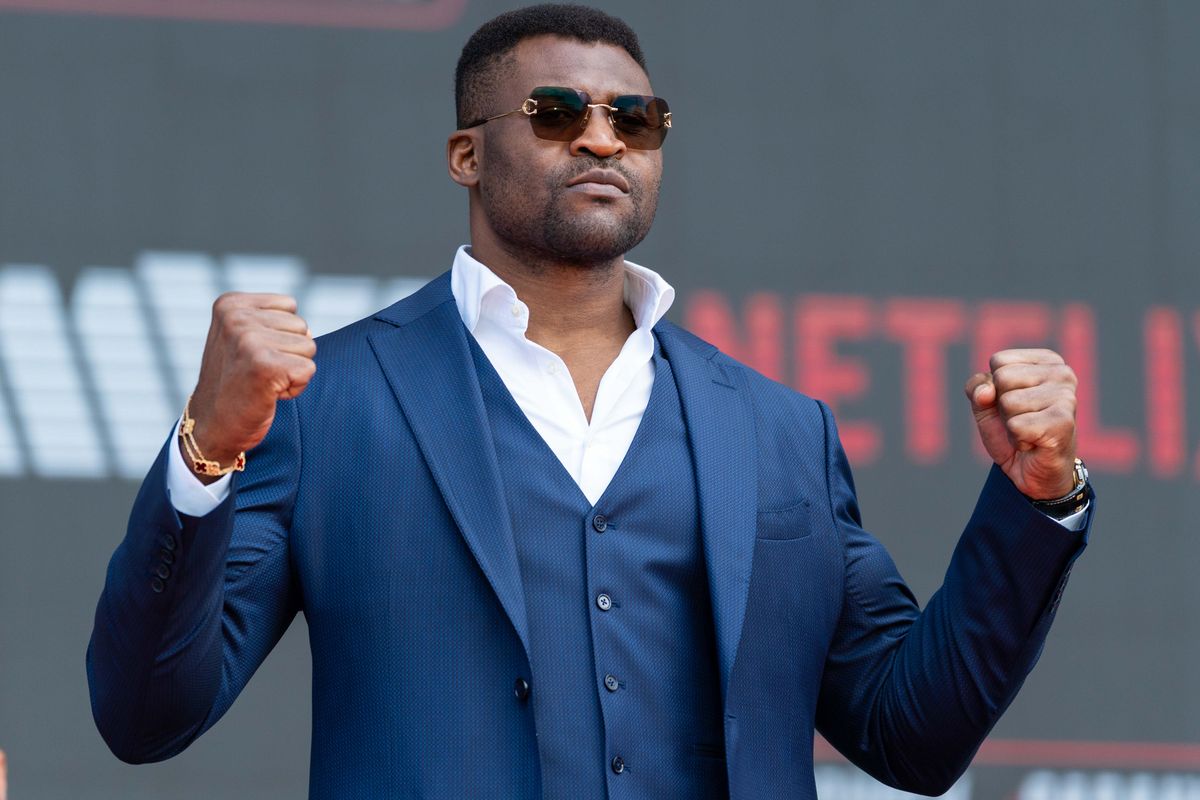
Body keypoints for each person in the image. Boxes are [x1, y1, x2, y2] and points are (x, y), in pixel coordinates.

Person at [87, 5, 1093, 799]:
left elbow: (911, 732)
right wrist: (206, 451)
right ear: (466, 155)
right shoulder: (328, 401)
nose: (605, 139)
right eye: (559, 113)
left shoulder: (780, 430)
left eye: (635, 118)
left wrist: (1035, 500)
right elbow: (147, 713)